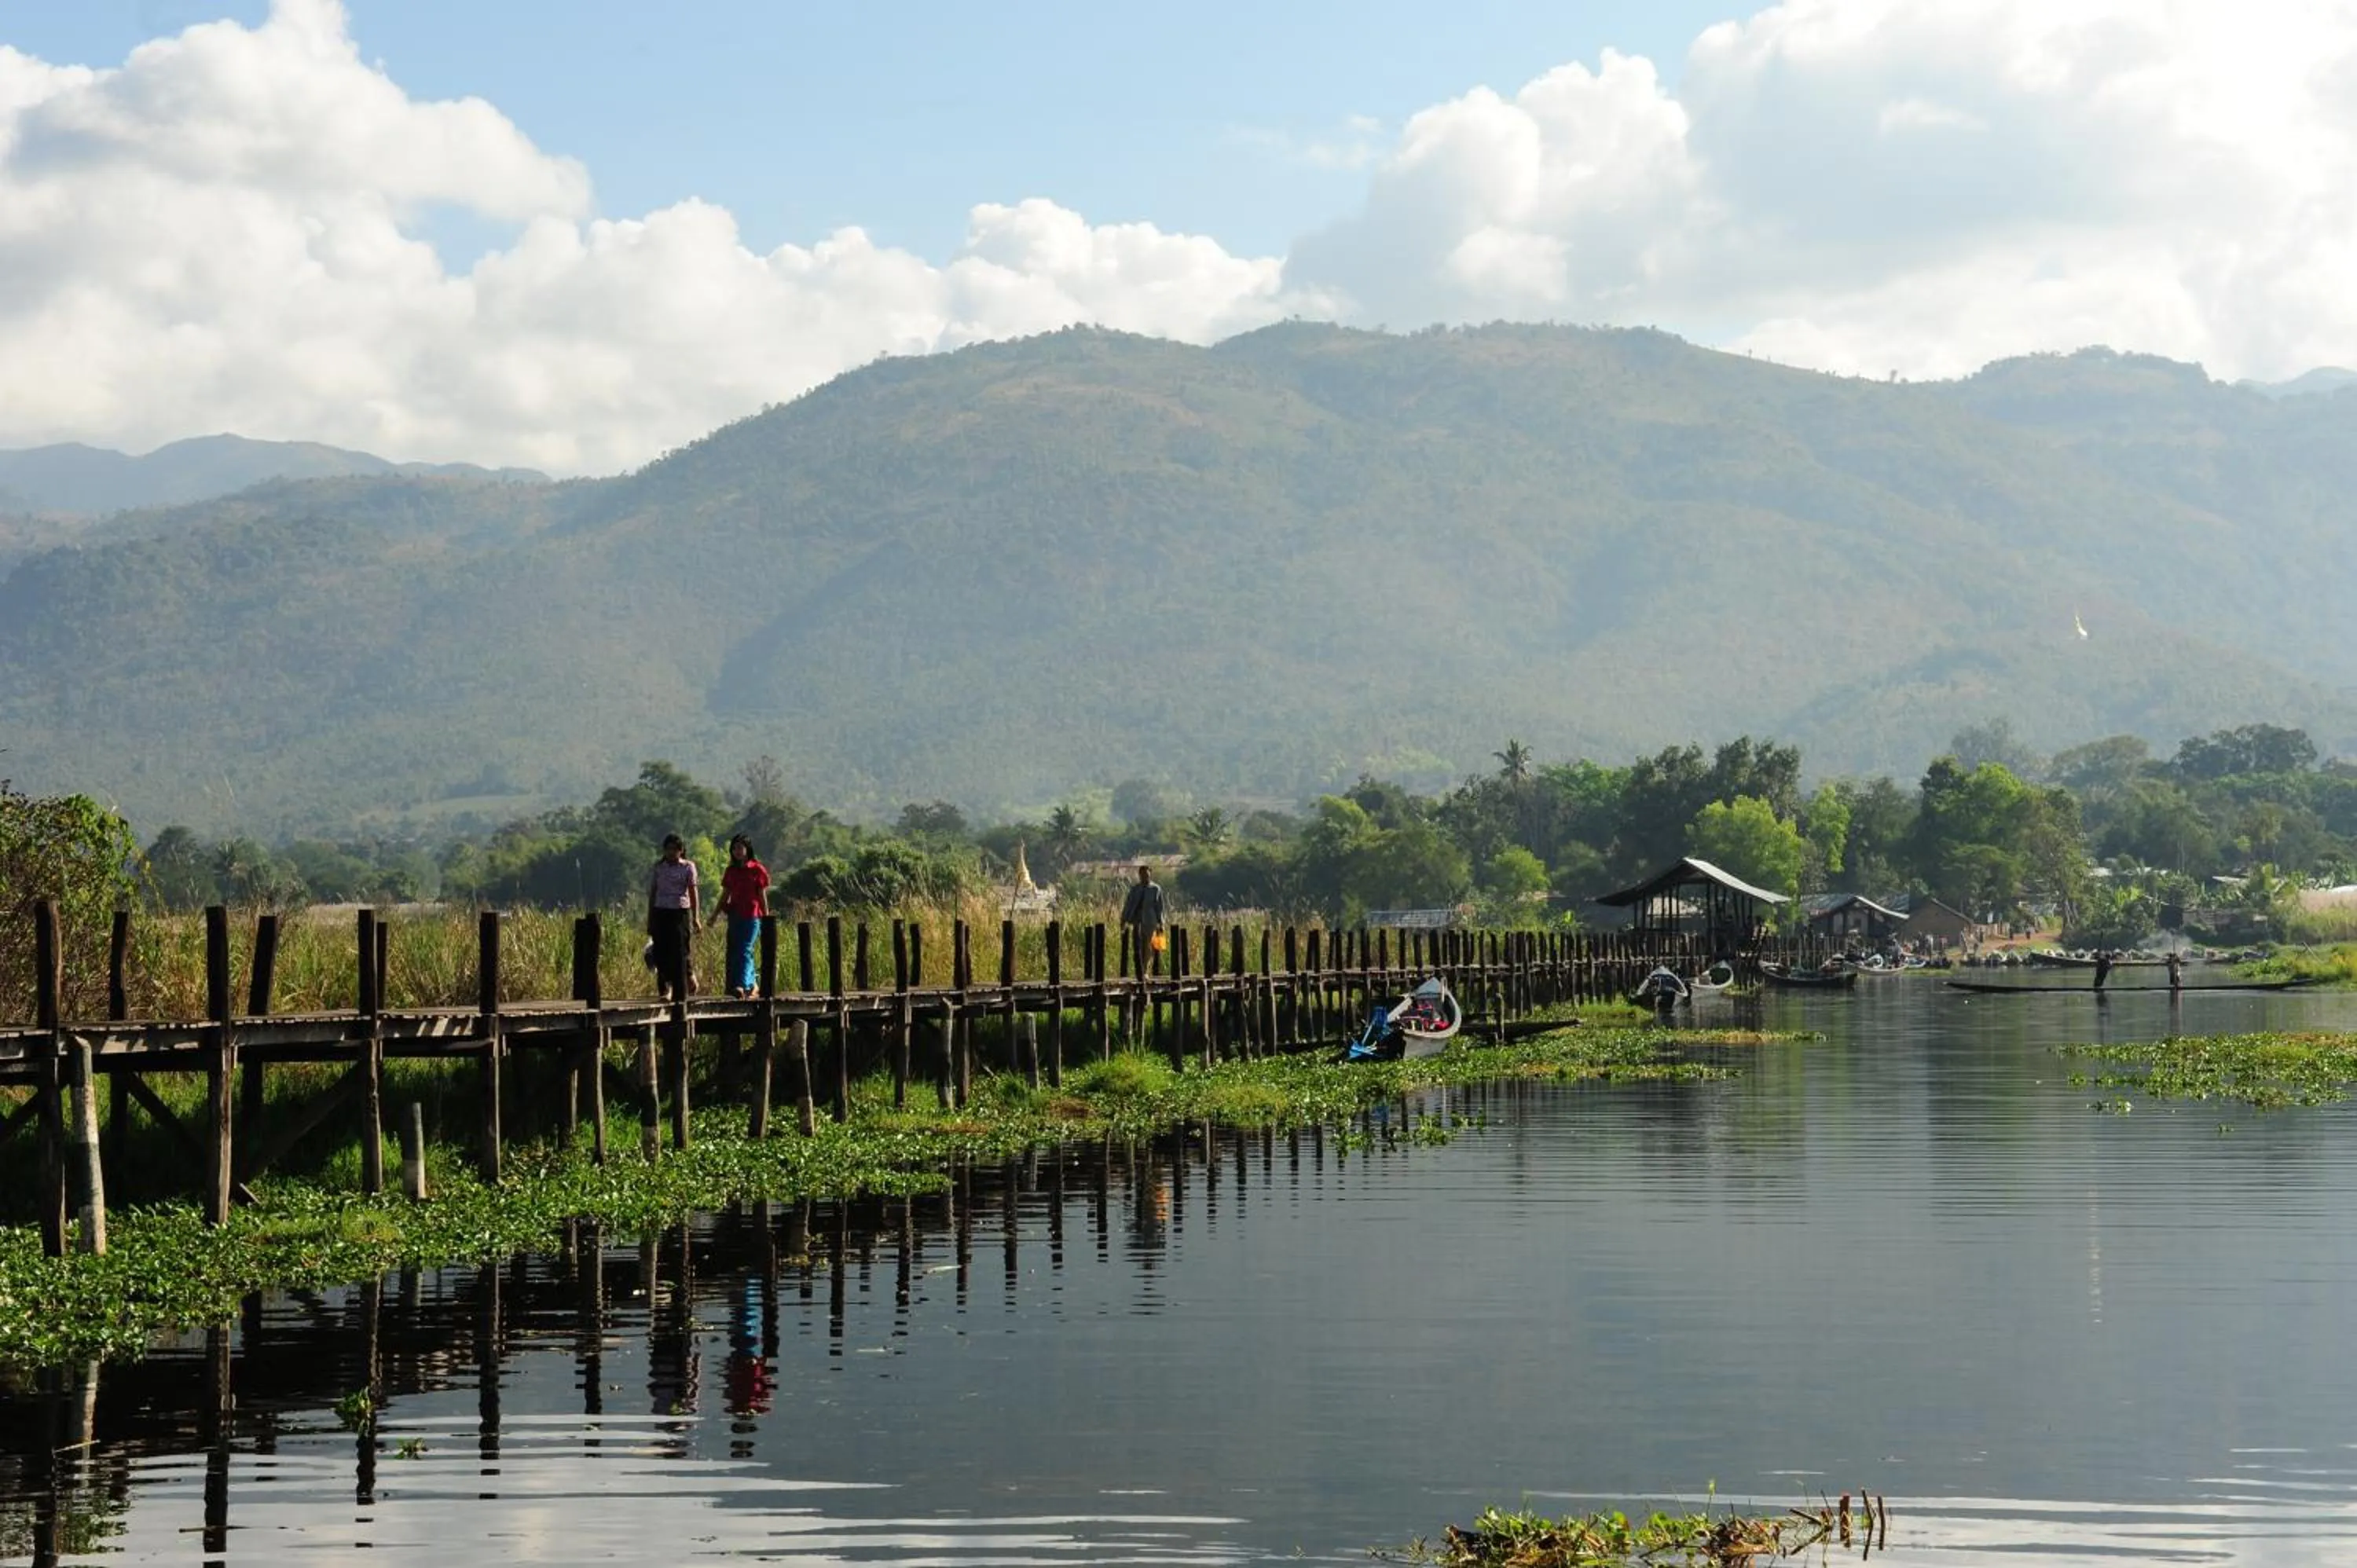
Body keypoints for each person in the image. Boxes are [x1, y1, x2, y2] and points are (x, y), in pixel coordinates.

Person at [647, 833, 703, 1004]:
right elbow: (653, 893)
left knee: (679, 950)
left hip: (680, 912)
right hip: (661, 912)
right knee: (661, 951)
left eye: (675, 849)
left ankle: (684, 983)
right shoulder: (659, 868)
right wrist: (650, 918)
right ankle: (666, 988)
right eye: (668, 849)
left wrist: (696, 917)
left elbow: (693, 893)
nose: (671, 853)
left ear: (681, 850)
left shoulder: (688, 867)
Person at [718, 834, 771, 999]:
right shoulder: (731, 871)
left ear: (748, 849)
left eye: (740, 848)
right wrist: (714, 914)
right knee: (738, 951)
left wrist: (766, 917)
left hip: (752, 917)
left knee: (745, 949)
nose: (737, 851)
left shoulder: (757, 869)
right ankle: (753, 985)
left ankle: (742, 985)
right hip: (735, 916)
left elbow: (762, 896)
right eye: (734, 848)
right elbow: (725, 895)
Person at [1120, 863, 1166, 977]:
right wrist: (1124, 919)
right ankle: (1139, 970)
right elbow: (1129, 904)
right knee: (1138, 945)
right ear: (1139, 875)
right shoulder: (1135, 889)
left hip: (1150, 921)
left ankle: (1145, 970)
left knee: (1149, 946)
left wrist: (1161, 923)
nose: (1145, 877)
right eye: (1142, 875)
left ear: (1150, 875)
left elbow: (1159, 907)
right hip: (1137, 921)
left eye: (1147, 875)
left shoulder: (1155, 889)